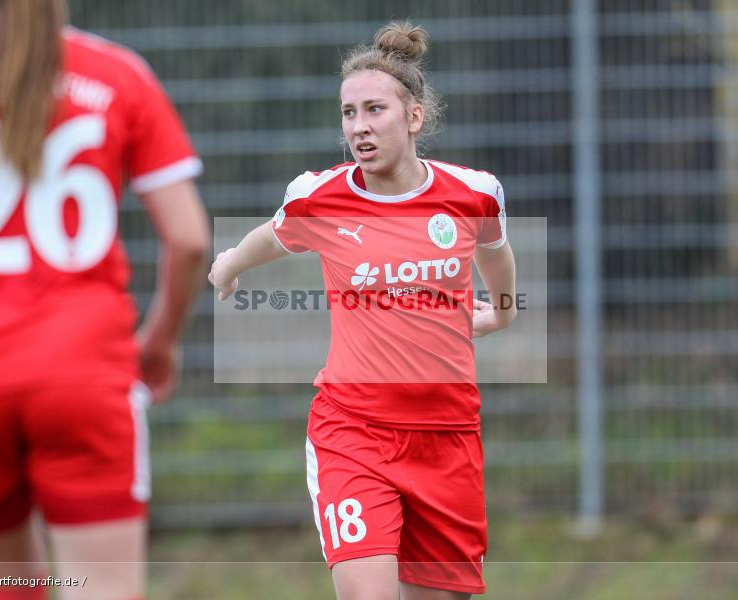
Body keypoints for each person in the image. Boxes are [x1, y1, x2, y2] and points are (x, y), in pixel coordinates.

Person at [210, 21, 516, 599]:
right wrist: (229, 265)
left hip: (447, 436)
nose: (359, 126)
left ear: (414, 117)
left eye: (375, 110)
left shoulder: (473, 193)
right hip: (354, 432)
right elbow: (269, 238)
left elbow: (496, 253)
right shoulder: (319, 197)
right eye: (348, 113)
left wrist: (502, 313)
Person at [0, 1, 209, 598]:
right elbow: (189, 238)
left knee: (4, 589)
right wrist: (161, 339)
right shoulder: (118, 73)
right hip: (82, 369)